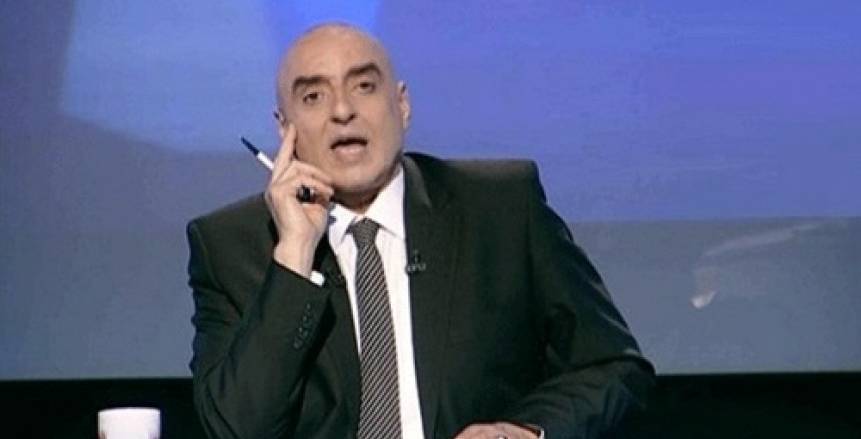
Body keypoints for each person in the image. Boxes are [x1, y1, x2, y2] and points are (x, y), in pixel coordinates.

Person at [187, 22, 653, 439]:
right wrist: (293, 256)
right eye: (313, 97)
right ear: (283, 128)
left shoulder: (503, 208)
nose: (343, 110)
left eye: (364, 86)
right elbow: (237, 429)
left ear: (402, 105)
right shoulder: (230, 248)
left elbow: (612, 367)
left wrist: (522, 432)